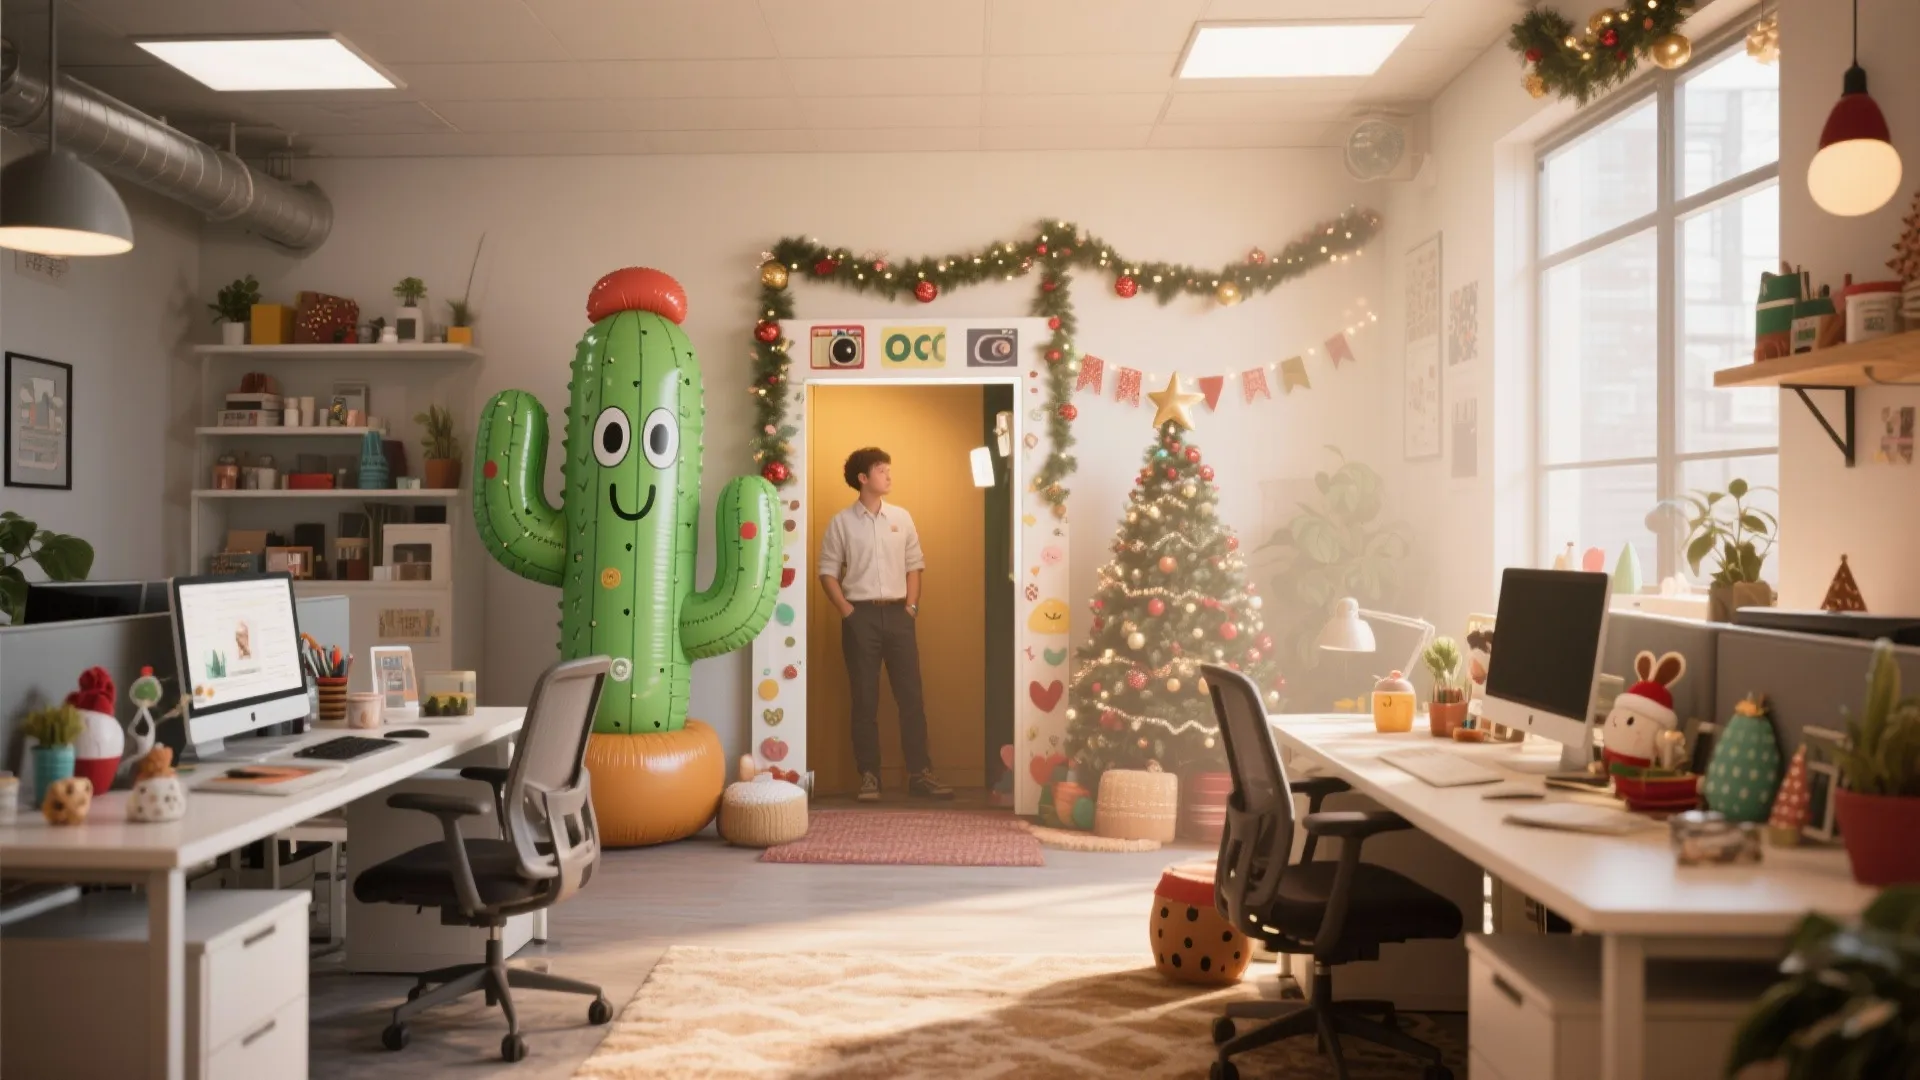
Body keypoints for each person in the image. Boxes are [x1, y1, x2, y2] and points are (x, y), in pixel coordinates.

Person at [818, 447, 953, 802]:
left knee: (911, 696)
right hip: (859, 617)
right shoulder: (841, 523)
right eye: (882, 470)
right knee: (864, 699)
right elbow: (828, 572)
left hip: (898, 617)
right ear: (863, 478)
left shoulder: (902, 517)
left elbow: (914, 565)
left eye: (889, 470)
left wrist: (910, 607)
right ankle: (869, 776)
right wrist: (847, 611)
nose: (889, 476)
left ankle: (920, 773)